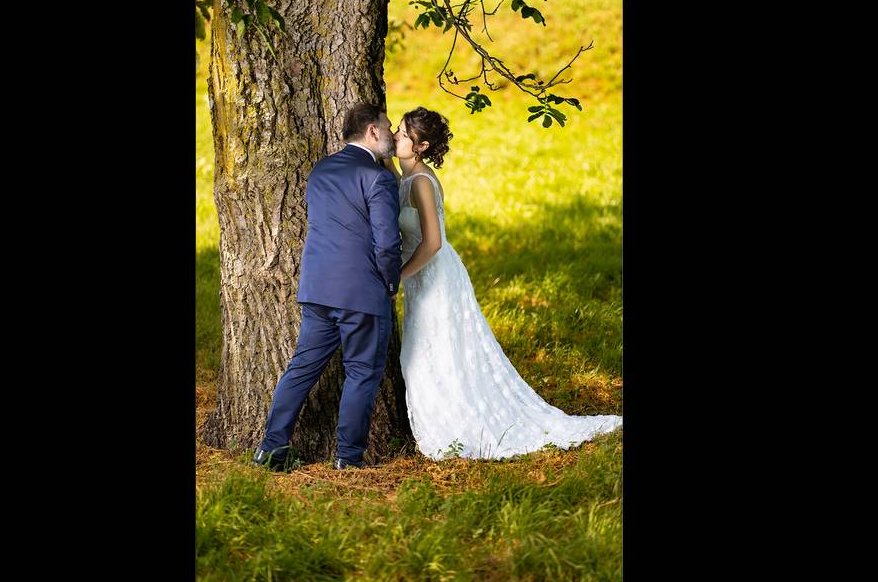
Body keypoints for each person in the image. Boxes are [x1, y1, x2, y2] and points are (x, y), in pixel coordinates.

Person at [383, 107, 622, 460]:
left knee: (434, 352)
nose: (396, 137)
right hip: (422, 278)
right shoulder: (404, 177)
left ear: (421, 146)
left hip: (435, 276)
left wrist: (399, 276)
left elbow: (432, 242)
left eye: (402, 134)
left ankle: (459, 426)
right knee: (425, 352)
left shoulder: (420, 182)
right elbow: (391, 172)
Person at [252, 102, 401, 471]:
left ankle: (270, 450)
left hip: (318, 288)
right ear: (372, 131)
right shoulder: (378, 177)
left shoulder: (320, 171)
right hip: (362, 292)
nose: (391, 135)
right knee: (362, 373)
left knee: (301, 368)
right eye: (387, 128)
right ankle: (347, 459)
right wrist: (391, 281)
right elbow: (386, 243)